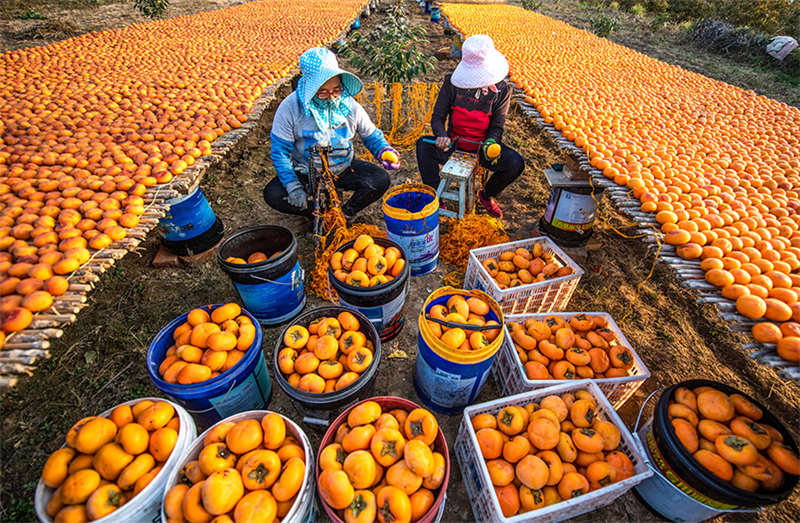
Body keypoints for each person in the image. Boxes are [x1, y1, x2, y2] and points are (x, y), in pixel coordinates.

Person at [264, 47, 399, 220]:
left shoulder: (348, 104)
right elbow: (279, 151)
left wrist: (383, 150)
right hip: (307, 172)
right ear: (310, 89)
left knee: (379, 180)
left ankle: (344, 213)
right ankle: (316, 212)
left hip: (342, 168)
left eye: (336, 89)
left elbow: (371, 134)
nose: (332, 96)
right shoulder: (290, 108)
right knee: (274, 194)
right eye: (322, 91)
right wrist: (293, 187)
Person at [416, 34, 524, 218]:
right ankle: (434, 195)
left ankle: (486, 194)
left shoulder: (502, 90)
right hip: (454, 145)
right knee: (423, 145)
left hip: (483, 149)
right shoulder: (452, 84)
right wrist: (442, 135)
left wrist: (491, 143)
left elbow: (497, 126)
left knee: (515, 163)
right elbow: (437, 117)